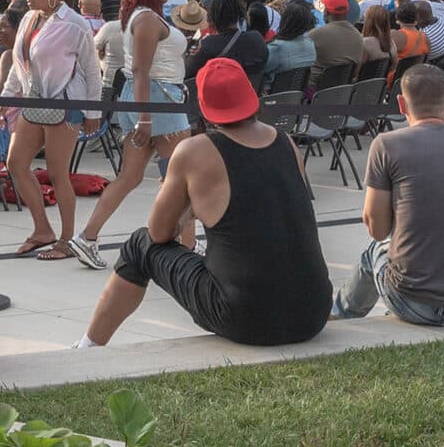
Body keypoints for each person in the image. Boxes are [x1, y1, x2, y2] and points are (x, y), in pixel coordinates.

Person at [73, 59, 331, 349]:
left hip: (246, 317)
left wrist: (185, 210)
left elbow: (158, 234)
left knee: (139, 245)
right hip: (313, 311)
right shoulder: (286, 142)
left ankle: (88, 346)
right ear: (251, 98)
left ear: (204, 109)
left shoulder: (195, 151)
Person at [328, 64, 444, 327]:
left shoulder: (386, 145)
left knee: (374, 251)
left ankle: (340, 316)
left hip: (414, 303)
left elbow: (377, 229)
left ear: (401, 104)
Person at [63, 0, 192, 269]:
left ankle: (87, 236)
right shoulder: (147, 19)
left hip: (149, 100)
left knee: (130, 177)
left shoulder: (138, 16)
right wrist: (145, 117)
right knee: (182, 178)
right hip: (158, 102)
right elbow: (140, 70)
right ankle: (186, 247)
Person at [3, 0, 102, 259]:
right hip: (35, 101)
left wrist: (92, 110)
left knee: (59, 174)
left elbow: (91, 68)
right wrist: (8, 97)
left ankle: (68, 239)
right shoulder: (29, 18)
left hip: (65, 102)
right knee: (16, 163)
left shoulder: (75, 23)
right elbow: (18, 61)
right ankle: (42, 229)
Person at [184, 0, 267, 83]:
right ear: (240, 14)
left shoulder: (206, 46)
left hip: (219, 96)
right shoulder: (257, 39)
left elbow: (186, 73)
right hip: (251, 94)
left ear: (212, 18)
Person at [309, 0, 364, 77]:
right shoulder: (358, 36)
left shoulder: (315, 35)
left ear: (326, 12)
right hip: (344, 87)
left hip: (316, 88)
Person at [264, 0, 318, 80]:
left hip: (272, 91)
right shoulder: (310, 44)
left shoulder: (276, 47)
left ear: (284, 20)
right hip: (299, 91)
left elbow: (261, 70)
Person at [359, 4, 394, 75]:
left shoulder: (364, 42)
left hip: (363, 84)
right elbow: (395, 64)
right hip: (381, 83)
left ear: (368, 21)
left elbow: (357, 71)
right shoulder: (390, 42)